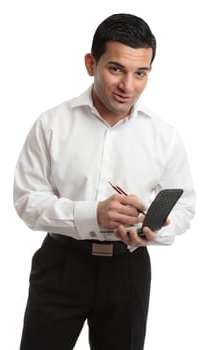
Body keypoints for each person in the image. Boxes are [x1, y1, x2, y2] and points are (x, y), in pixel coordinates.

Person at [14, 13, 196, 350]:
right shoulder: (51, 124)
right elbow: (27, 201)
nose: (128, 86)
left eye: (140, 73)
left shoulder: (164, 136)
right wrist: (93, 214)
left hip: (128, 270)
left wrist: (154, 230)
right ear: (91, 63)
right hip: (62, 264)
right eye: (116, 69)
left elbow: (184, 206)